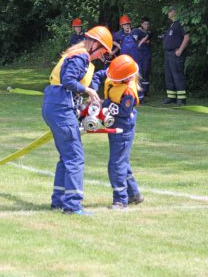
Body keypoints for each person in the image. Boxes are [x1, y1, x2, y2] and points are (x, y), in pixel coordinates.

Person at [43, 26, 112, 216]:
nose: (101, 55)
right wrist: (88, 91)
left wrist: (91, 88)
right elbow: (68, 80)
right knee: (75, 157)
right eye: (102, 51)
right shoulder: (81, 56)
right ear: (94, 45)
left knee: (66, 157)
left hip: (55, 105)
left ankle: (58, 201)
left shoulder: (80, 57)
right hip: (61, 107)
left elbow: (92, 78)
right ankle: (72, 205)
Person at [91, 55, 144, 209]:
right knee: (122, 161)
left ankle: (121, 200)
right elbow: (98, 75)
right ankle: (134, 194)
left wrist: (105, 105)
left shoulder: (128, 92)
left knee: (116, 164)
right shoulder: (115, 74)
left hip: (123, 128)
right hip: (115, 124)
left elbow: (123, 112)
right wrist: (94, 92)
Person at [162, 7, 190, 105]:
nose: (168, 12)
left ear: (175, 12)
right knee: (169, 76)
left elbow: (186, 37)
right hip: (168, 54)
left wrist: (180, 50)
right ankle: (171, 97)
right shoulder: (172, 25)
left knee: (177, 76)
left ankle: (181, 99)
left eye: (170, 11)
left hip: (175, 54)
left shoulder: (180, 24)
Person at [135, 17, 152, 101]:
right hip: (139, 54)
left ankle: (146, 90)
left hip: (147, 54)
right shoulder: (137, 32)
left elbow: (147, 40)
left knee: (146, 71)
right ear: (141, 24)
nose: (146, 26)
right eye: (145, 24)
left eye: (148, 24)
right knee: (140, 72)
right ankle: (140, 90)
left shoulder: (149, 33)